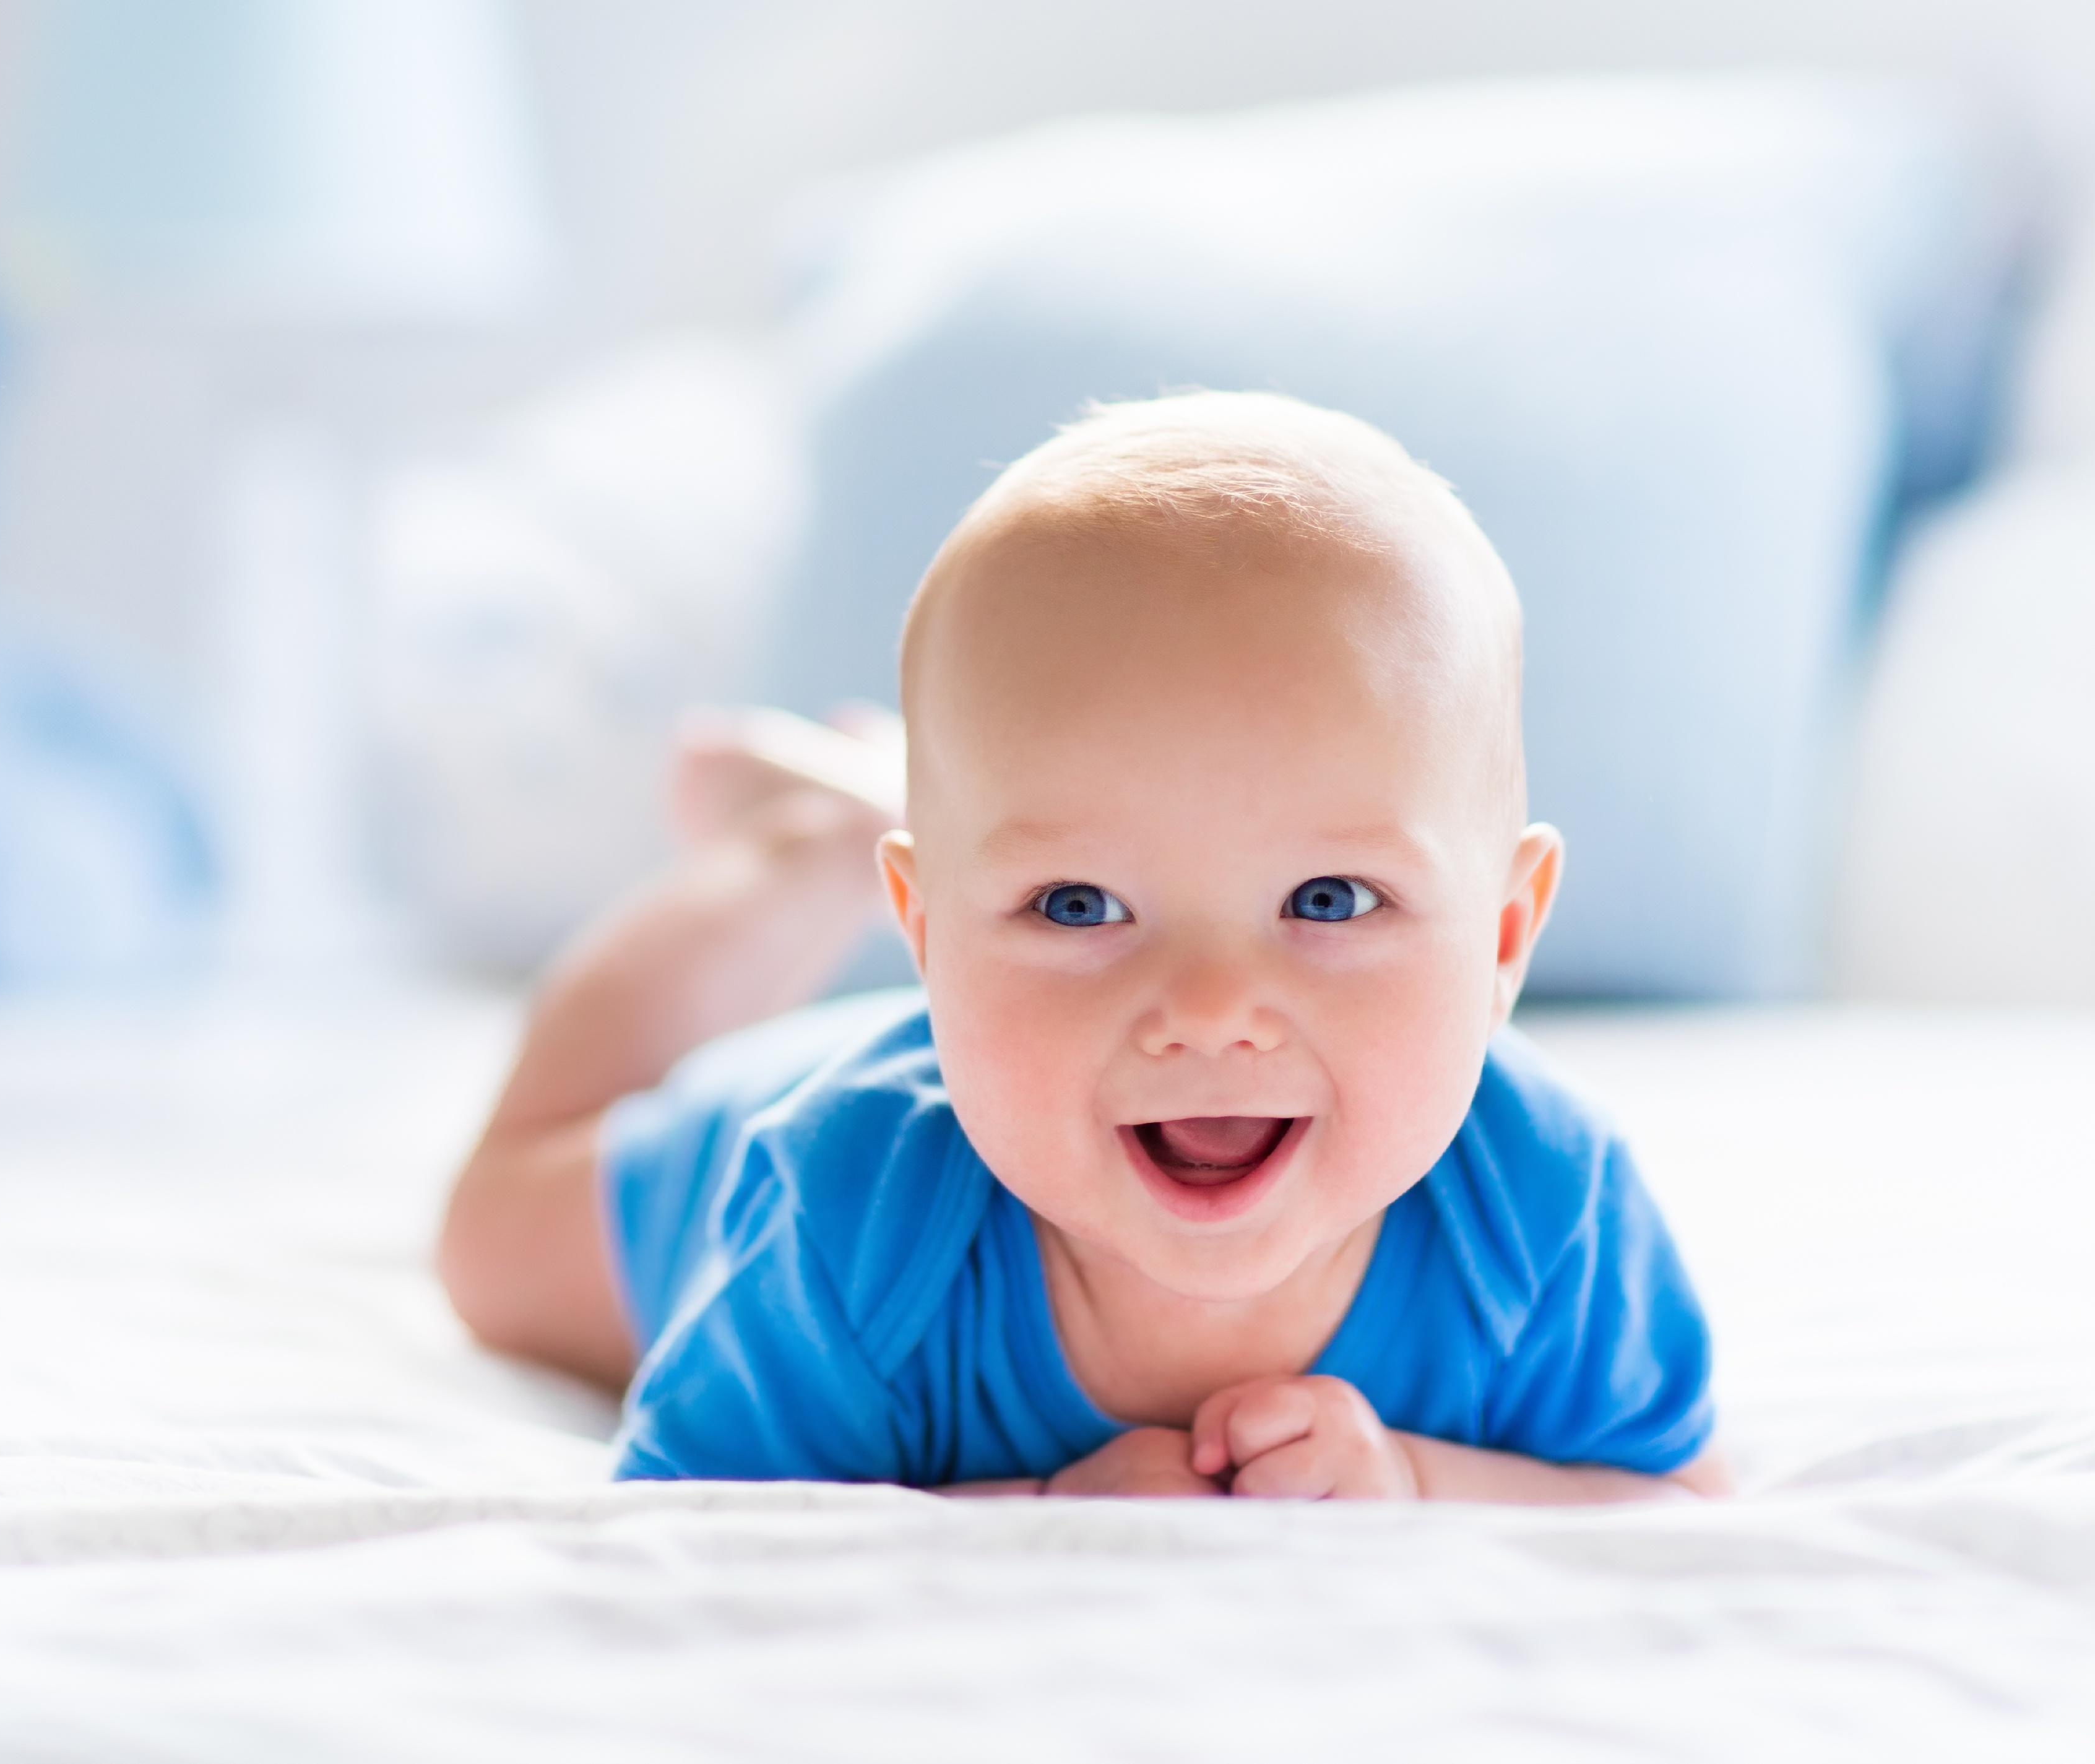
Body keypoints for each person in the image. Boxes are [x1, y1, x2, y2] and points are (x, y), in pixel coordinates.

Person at [438, 391, 1728, 1500]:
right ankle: (805, 851)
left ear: (1503, 936)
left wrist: (1414, 1477)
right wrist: (1035, 1504)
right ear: (928, 935)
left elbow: (1667, 1495)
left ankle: (916, 818)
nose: (1212, 1007)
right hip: (721, 1156)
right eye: (1077, 904)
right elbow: (697, 1537)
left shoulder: (1541, 1210)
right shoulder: (846, 1216)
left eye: (1329, 900)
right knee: (488, 1243)